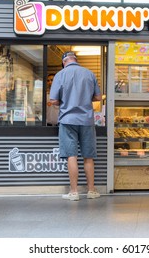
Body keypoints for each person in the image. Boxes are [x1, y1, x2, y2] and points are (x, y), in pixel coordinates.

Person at [50, 51, 102, 201]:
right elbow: (98, 97)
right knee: (88, 156)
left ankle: (74, 192)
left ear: (64, 62)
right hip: (86, 120)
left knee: (71, 155)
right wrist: (85, 99)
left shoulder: (60, 74)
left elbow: (53, 100)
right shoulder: (89, 73)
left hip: (67, 120)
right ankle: (91, 191)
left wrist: (65, 101)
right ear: (76, 60)